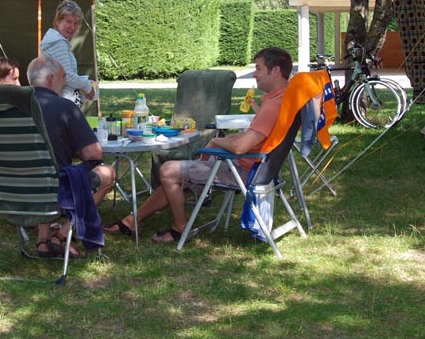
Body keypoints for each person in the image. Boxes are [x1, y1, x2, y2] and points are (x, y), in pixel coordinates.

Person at [105, 47, 292, 244]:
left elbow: (240, 148)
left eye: (259, 68)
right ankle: (131, 220)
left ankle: (179, 228)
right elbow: (251, 139)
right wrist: (232, 139)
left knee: (169, 171)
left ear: (276, 71)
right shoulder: (284, 98)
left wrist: (215, 141)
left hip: (242, 170)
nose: (255, 73)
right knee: (178, 174)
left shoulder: (273, 106)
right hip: (259, 168)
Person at [26, 55, 116, 258]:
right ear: (50, 80)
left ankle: (43, 239)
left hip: (12, 190)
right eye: (62, 77)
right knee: (107, 173)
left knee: (41, 169)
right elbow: (94, 153)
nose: (65, 82)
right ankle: (64, 234)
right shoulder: (63, 107)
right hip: (53, 189)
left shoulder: (10, 109)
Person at [40, 0, 96, 104]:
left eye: (76, 23)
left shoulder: (55, 40)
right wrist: (87, 86)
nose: (72, 27)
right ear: (57, 21)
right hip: (59, 101)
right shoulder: (58, 43)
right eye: (68, 21)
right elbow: (68, 77)